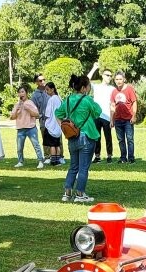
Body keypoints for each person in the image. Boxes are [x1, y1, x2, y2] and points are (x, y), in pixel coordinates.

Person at [55, 74, 101, 203]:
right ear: (84, 88)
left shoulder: (67, 100)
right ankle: (80, 194)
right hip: (87, 136)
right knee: (83, 168)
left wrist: (64, 128)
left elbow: (57, 114)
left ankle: (67, 193)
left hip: (72, 137)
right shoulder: (87, 100)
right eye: (89, 86)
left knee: (73, 166)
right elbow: (97, 112)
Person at [9, 85, 44, 169]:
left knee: (36, 145)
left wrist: (27, 108)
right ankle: (20, 161)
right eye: (19, 92)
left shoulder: (30, 103)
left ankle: (40, 161)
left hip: (31, 128)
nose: (21, 94)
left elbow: (37, 114)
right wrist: (17, 110)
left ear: (26, 93)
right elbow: (12, 117)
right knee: (19, 147)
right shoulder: (17, 104)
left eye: (22, 92)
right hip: (20, 129)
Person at [86, 62, 115, 164]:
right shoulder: (96, 86)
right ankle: (97, 156)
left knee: (108, 137)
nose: (109, 77)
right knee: (96, 137)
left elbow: (113, 104)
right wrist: (94, 68)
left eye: (110, 76)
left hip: (107, 116)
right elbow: (86, 80)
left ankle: (109, 155)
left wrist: (112, 118)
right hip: (96, 116)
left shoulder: (112, 89)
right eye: (107, 75)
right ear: (102, 75)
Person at [110, 71, 137, 163]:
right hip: (118, 119)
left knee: (130, 139)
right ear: (114, 80)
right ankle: (123, 158)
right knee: (121, 140)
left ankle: (131, 158)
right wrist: (111, 120)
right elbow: (112, 106)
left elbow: (134, 102)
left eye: (120, 79)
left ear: (124, 79)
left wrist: (134, 116)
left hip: (128, 119)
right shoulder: (114, 92)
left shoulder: (129, 89)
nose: (118, 81)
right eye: (117, 79)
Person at [43, 82, 64, 166]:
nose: (46, 91)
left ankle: (53, 161)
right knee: (57, 144)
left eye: (47, 89)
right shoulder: (59, 99)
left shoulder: (51, 99)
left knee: (52, 145)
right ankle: (58, 160)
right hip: (58, 125)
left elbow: (47, 114)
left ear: (52, 89)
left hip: (51, 125)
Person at [31, 73, 50, 159]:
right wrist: (40, 116)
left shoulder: (50, 90)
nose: (43, 82)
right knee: (46, 139)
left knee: (57, 138)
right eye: (40, 80)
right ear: (36, 82)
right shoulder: (35, 95)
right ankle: (47, 156)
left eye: (44, 79)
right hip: (43, 121)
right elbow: (33, 109)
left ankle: (59, 156)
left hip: (54, 119)